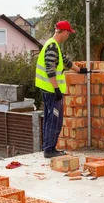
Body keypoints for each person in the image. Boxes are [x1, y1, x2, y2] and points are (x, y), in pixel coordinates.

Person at [35, 20, 87, 158]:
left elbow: (65, 61)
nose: (68, 36)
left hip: (48, 90)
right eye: (68, 33)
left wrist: (81, 70)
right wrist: (56, 89)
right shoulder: (52, 46)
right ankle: (49, 150)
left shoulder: (53, 45)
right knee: (54, 121)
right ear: (64, 32)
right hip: (52, 91)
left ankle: (48, 147)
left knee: (50, 119)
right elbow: (49, 69)